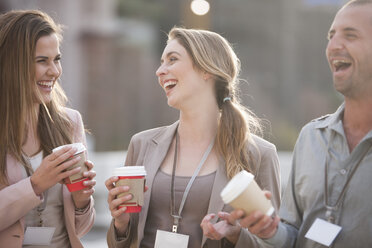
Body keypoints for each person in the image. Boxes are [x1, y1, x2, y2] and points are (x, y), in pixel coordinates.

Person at [105, 27, 280, 248]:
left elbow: (273, 243)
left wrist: (236, 235)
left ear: (206, 69)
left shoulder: (259, 155)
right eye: (161, 61)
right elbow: (120, 243)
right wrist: (121, 224)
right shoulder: (141, 145)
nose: (160, 71)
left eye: (172, 59)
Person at [229, 0, 372, 247]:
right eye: (331, 36)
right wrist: (269, 231)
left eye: (350, 35)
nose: (333, 46)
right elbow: (294, 233)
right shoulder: (310, 137)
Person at [0, 10, 96, 247]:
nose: (54, 71)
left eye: (57, 59)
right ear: (13, 65)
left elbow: (80, 228)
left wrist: (82, 200)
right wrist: (34, 185)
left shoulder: (70, 122)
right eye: (42, 61)